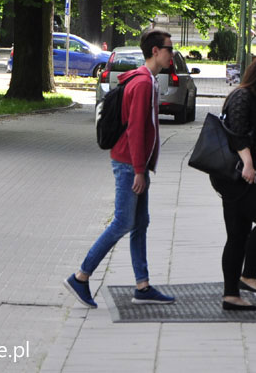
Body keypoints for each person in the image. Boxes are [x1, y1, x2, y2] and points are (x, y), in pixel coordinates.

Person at [64, 28, 177, 308]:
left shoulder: (146, 80)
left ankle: (143, 286)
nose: (171, 53)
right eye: (169, 48)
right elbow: (137, 130)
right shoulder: (142, 84)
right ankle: (81, 276)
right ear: (155, 51)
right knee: (123, 222)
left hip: (134, 163)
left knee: (140, 223)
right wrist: (139, 169)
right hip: (129, 163)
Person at [210, 57, 256, 311]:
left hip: (238, 174)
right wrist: (249, 164)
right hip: (234, 175)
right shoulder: (242, 96)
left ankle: (231, 295)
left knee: (238, 235)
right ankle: (248, 274)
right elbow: (237, 133)